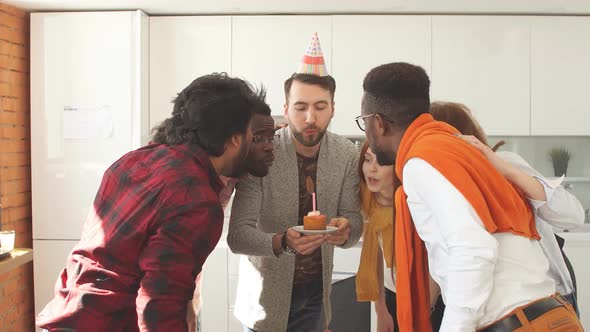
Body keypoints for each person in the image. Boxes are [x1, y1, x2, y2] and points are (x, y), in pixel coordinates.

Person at [357, 62, 582, 331]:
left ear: (378, 123)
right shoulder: (454, 152)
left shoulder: (421, 161)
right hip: (552, 316)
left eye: (364, 124)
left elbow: (472, 249)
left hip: (518, 324)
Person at [37, 73, 268, 331]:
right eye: (251, 134)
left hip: (67, 313)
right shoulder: (197, 201)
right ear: (235, 138)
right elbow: (159, 306)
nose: (255, 142)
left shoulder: (133, 160)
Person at [227, 33, 363, 332]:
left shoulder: (346, 155)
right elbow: (238, 236)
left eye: (320, 106)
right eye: (300, 107)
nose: (310, 117)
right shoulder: (262, 152)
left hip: (316, 300)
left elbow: (354, 221)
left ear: (333, 108)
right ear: (286, 109)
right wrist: (283, 241)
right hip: (264, 302)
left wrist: (346, 231)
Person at [429, 101, 585, 317]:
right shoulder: (438, 187)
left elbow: (573, 216)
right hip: (494, 313)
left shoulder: (504, 163)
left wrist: (505, 169)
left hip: (546, 303)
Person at [182, 92, 278, 332]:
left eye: (272, 137)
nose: (269, 147)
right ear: (235, 139)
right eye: (256, 138)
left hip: (190, 274)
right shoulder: (193, 186)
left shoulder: (241, 168)